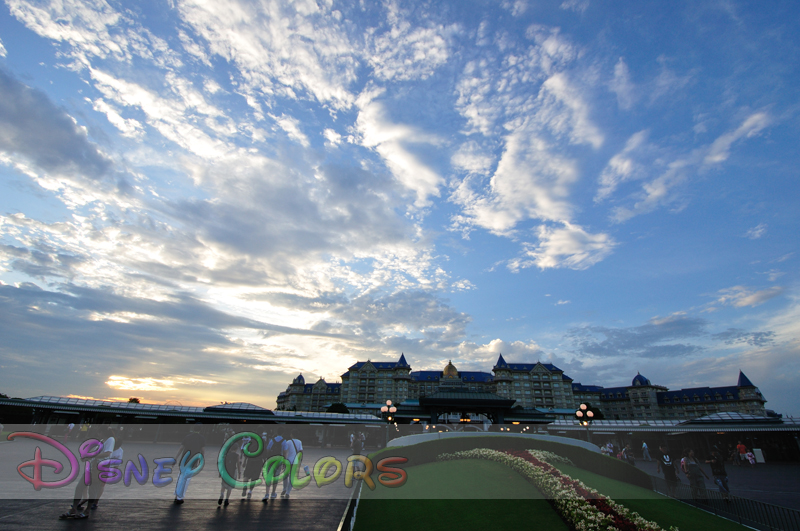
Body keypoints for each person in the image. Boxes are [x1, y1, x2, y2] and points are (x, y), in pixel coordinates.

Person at [59, 428, 116, 519]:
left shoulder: (110, 439)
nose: (98, 435)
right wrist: (87, 457)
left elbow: (107, 453)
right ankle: (74, 509)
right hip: (91, 468)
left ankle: (87, 511)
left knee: (92, 490)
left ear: (102, 432)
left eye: (99, 432)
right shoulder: (101, 441)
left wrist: (92, 456)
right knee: (79, 487)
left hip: (99, 468)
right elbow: (96, 453)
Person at [88, 433, 123, 509]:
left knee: (101, 485)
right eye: (115, 447)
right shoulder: (107, 447)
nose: (115, 448)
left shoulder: (120, 451)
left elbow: (118, 463)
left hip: (106, 469)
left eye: (117, 447)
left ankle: (96, 501)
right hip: (97, 467)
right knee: (91, 484)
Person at [173, 423, 206, 505]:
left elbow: (181, 448)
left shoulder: (187, 437)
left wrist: (175, 458)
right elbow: (203, 451)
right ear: (200, 430)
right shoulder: (202, 438)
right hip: (193, 461)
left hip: (184, 460)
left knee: (180, 477)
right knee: (186, 479)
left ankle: (176, 495)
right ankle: (180, 497)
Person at [280, 429, 304, 499]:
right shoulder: (299, 442)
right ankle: (288, 492)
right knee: (292, 477)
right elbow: (301, 451)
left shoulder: (288, 442)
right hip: (295, 462)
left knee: (285, 476)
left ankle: (284, 488)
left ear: (292, 434)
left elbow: (284, 450)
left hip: (288, 461)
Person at [263, 430, 285, 501]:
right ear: (283, 433)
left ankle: (267, 494)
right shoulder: (284, 441)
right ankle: (273, 493)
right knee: (276, 477)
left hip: (271, 460)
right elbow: (285, 452)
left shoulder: (272, 440)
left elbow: (268, 449)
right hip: (279, 461)